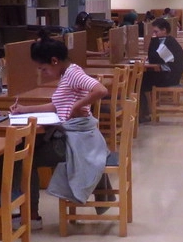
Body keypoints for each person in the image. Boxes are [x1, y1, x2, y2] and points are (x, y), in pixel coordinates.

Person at [12, 34, 110, 220]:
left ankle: (31, 216)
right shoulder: (67, 74)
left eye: (44, 68)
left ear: (54, 61)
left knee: (25, 160)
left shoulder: (73, 73)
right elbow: (57, 106)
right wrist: (25, 109)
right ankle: (28, 213)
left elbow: (101, 90)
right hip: (74, 137)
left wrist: (77, 106)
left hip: (78, 143)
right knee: (27, 151)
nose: (43, 73)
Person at [140, 16, 183, 121]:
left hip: (171, 77)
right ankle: (144, 112)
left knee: (139, 81)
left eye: (156, 32)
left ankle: (143, 114)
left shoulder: (166, 42)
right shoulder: (169, 40)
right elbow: (159, 58)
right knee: (144, 78)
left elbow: (153, 58)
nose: (154, 34)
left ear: (164, 30)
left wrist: (152, 40)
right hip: (173, 74)